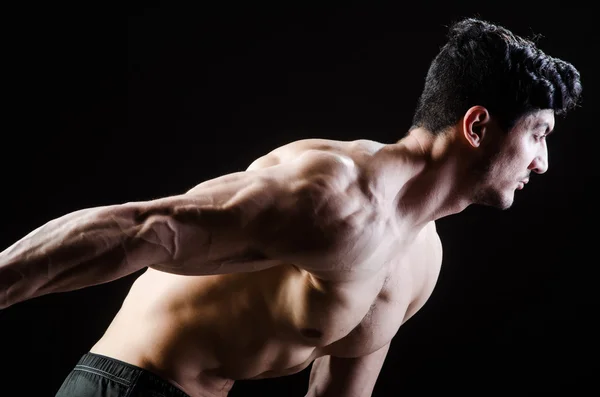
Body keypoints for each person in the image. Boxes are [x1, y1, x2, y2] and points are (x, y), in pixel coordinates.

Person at [0, 17, 582, 397]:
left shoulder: (420, 260)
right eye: (538, 135)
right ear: (477, 125)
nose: (543, 163)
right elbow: (144, 229)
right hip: (127, 386)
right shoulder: (335, 195)